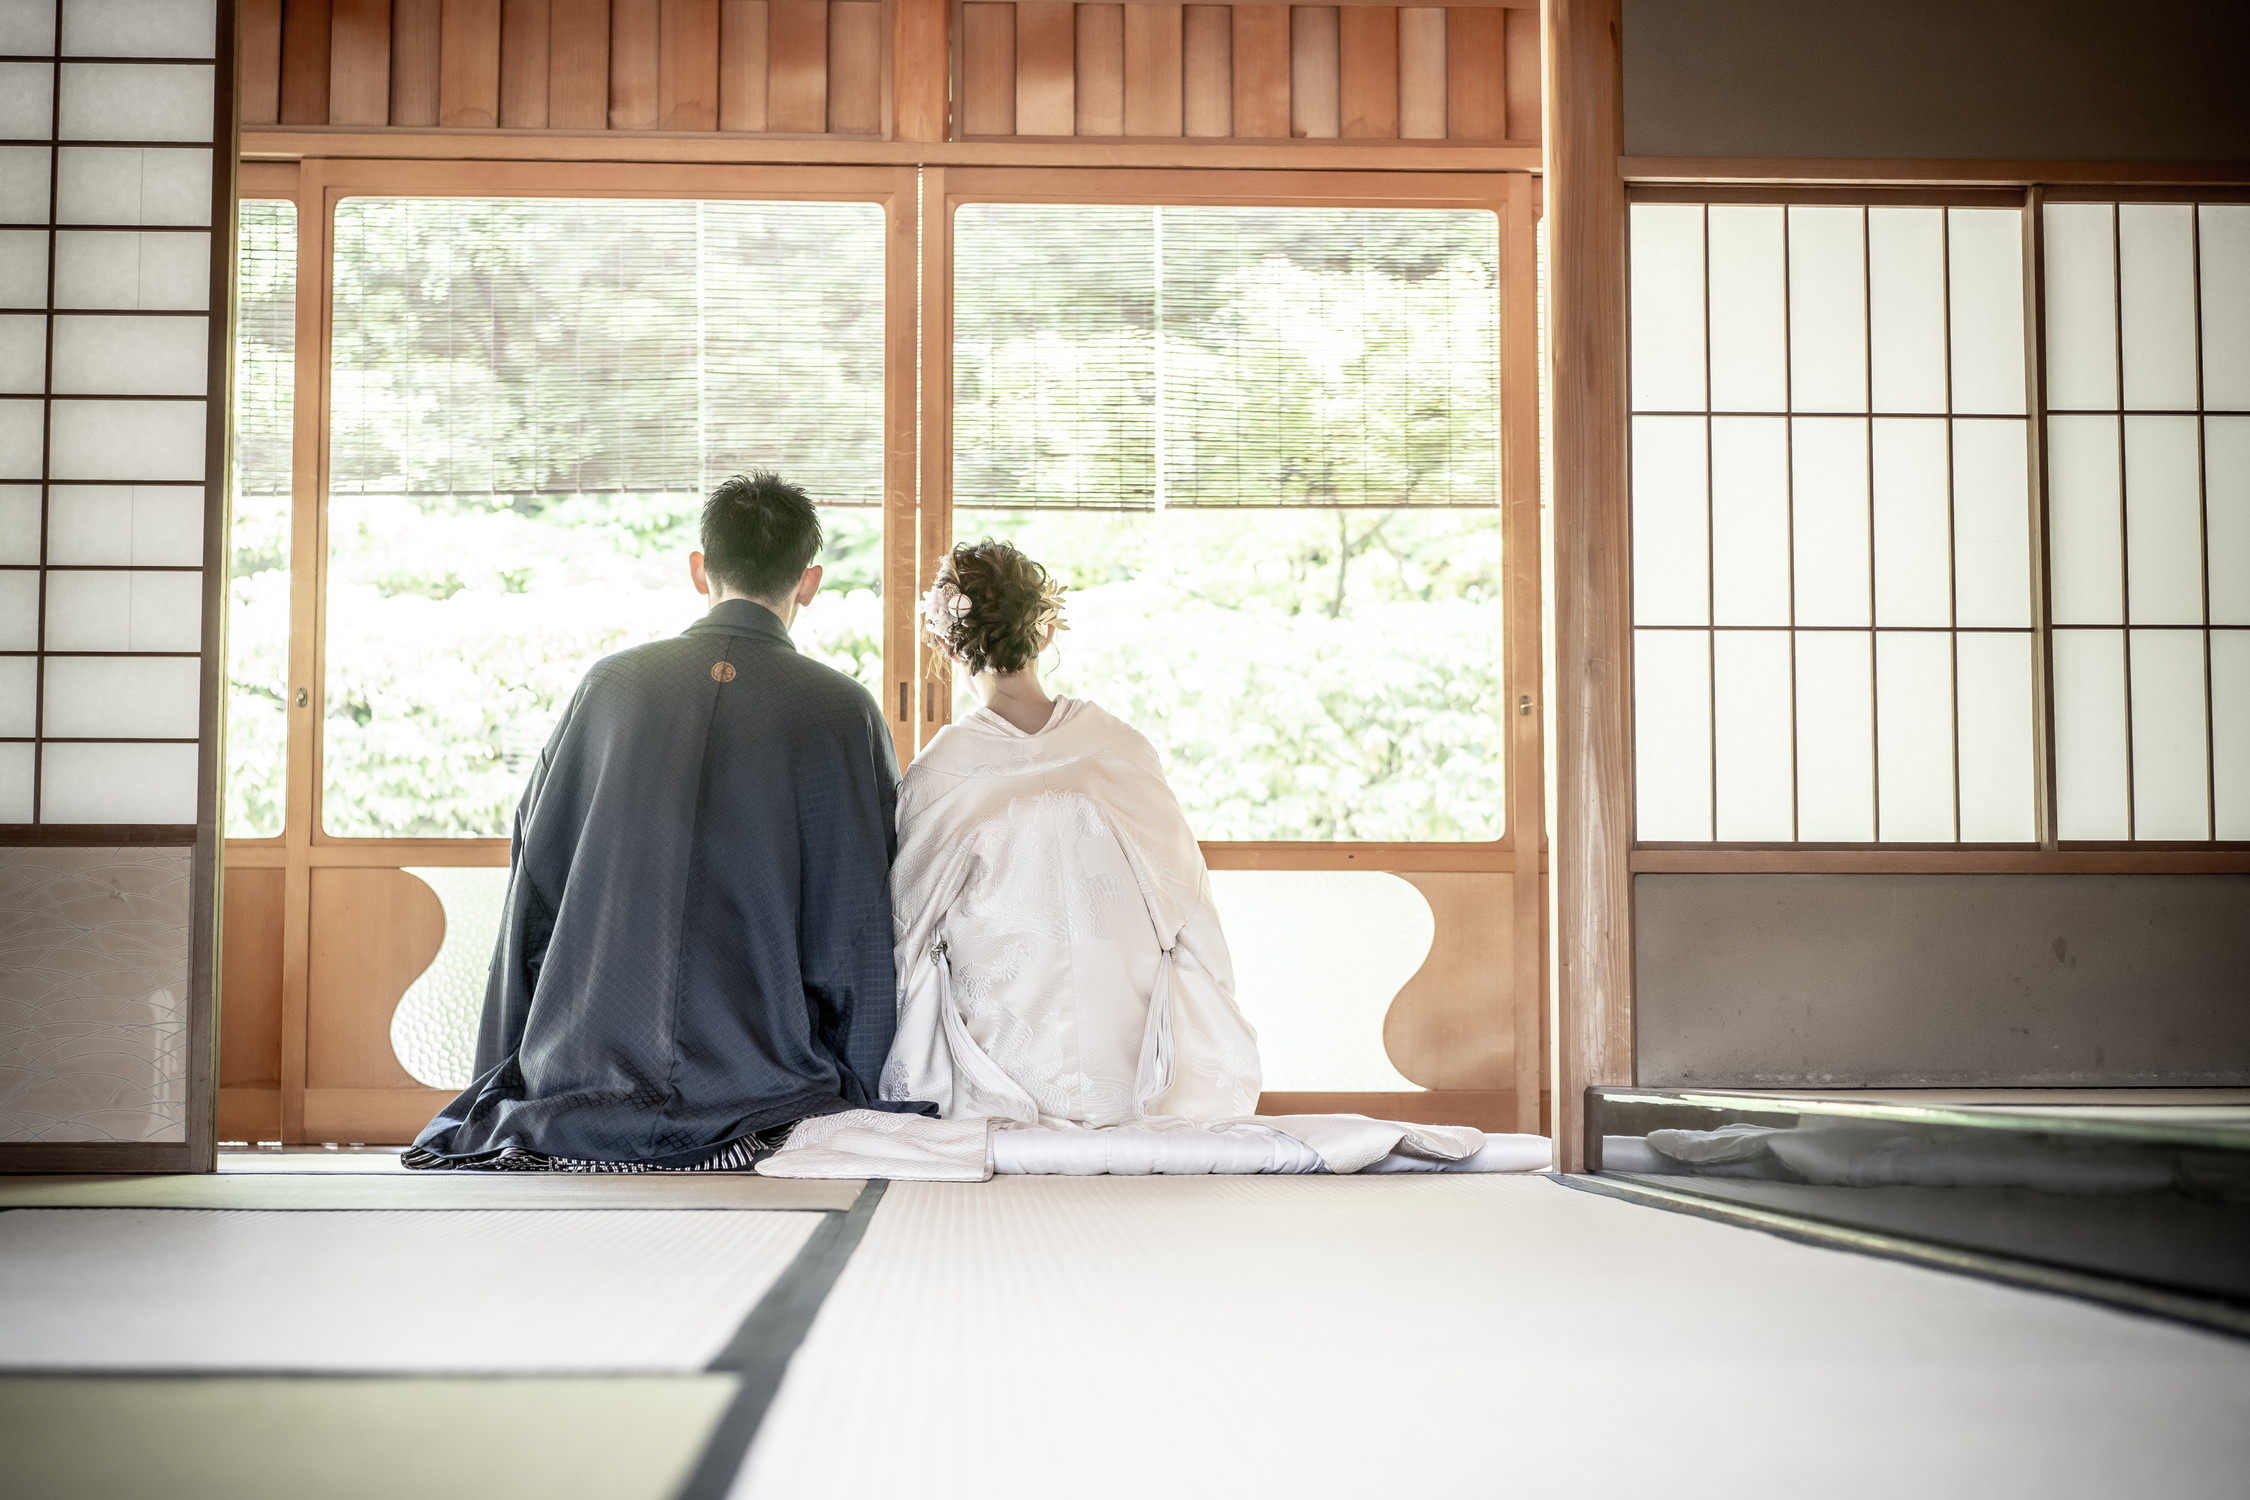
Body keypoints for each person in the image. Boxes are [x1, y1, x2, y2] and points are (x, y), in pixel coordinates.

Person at [406, 472, 914, 1172]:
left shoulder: (611, 687)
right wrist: (863, 1091)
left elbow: (537, 881)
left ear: (699, 569)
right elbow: (858, 916)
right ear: (810, 581)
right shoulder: (840, 709)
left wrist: (508, 1065)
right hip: (764, 1083)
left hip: (584, 1067)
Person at [880, 540, 1265, 1128]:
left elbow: (908, 928)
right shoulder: (1117, 747)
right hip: (1128, 1064)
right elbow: (1186, 905)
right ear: (1046, 631)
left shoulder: (943, 771)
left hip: (995, 1063)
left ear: (943, 641)